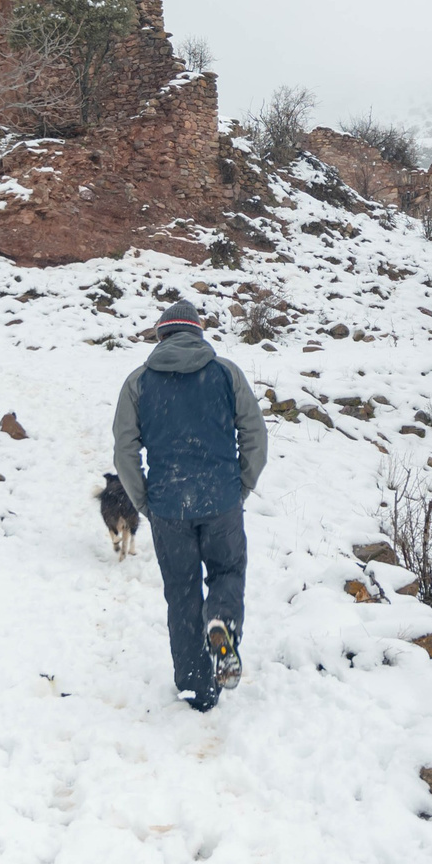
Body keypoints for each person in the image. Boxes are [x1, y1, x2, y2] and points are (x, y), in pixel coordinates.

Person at [111, 298, 269, 711]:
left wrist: (144, 501)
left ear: (161, 336)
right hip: (221, 499)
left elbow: (125, 451)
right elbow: (255, 434)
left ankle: (197, 689)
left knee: (181, 592)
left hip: (168, 506)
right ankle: (222, 620)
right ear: (198, 333)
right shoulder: (226, 373)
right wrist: (241, 486)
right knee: (227, 571)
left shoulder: (138, 382)